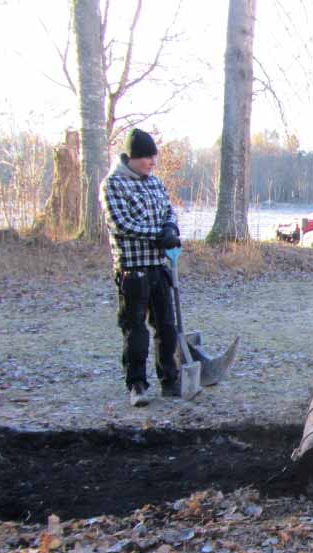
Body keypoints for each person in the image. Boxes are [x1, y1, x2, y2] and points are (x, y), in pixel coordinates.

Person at [100, 128, 182, 407]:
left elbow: (169, 211)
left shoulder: (155, 183)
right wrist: (157, 235)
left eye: (153, 157)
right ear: (132, 157)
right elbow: (120, 224)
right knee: (135, 330)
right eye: (147, 157)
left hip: (158, 267)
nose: (151, 162)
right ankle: (137, 385)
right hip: (132, 269)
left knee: (167, 327)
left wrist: (170, 226)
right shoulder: (113, 184)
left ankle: (170, 380)